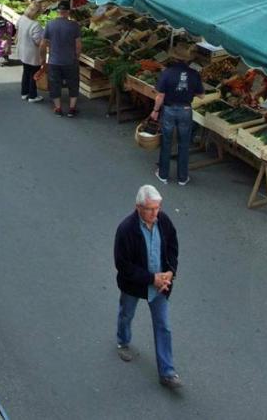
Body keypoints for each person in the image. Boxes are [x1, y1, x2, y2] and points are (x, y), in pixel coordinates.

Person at [114, 184, 181, 389]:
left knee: (164, 326)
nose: (155, 213)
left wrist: (170, 271)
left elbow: (172, 248)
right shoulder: (126, 230)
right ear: (138, 208)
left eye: (157, 208)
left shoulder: (164, 222)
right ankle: (122, 341)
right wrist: (152, 279)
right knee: (127, 313)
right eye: (150, 209)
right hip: (136, 285)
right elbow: (123, 265)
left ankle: (167, 372)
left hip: (160, 285)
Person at [152, 44, 204, 186]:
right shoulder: (194, 74)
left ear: (174, 58)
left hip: (169, 109)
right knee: (184, 143)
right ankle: (182, 177)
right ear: (187, 60)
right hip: (186, 110)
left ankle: (163, 175)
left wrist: (155, 111)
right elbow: (201, 95)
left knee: (166, 142)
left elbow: (160, 96)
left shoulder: (167, 73)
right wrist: (189, 91)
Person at [40, 0, 81, 118]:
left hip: (54, 61)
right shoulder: (74, 25)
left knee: (54, 84)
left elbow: (43, 44)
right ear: (68, 12)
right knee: (73, 83)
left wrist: (43, 59)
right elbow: (78, 45)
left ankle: (58, 108)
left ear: (58, 11)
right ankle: (72, 109)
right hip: (70, 61)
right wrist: (76, 57)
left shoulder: (50, 24)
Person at [16, 1, 45, 103]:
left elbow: (17, 28)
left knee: (26, 72)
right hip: (32, 54)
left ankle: (24, 93)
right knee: (34, 74)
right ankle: (32, 96)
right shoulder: (36, 25)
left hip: (22, 51)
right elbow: (38, 42)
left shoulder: (22, 18)